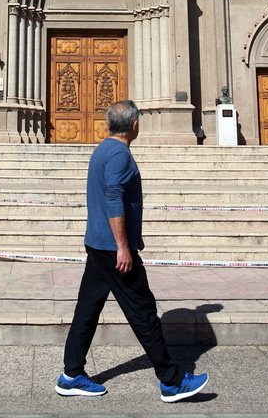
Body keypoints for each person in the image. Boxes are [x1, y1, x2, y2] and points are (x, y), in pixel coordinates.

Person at [55, 99, 209, 403]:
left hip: (99, 244)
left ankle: (71, 374)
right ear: (135, 125)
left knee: (87, 310)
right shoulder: (119, 154)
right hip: (113, 250)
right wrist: (124, 246)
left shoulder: (103, 149)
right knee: (143, 312)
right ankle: (172, 381)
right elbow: (113, 199)